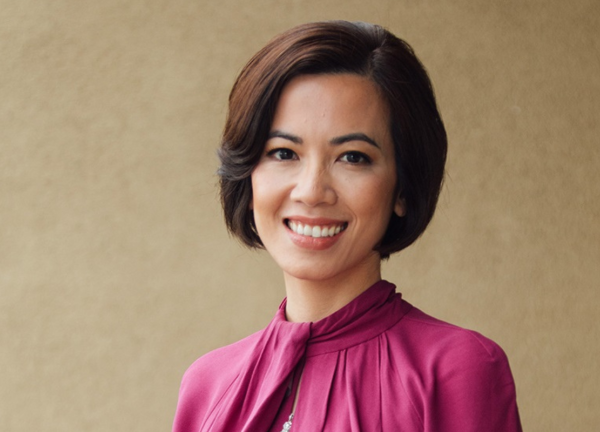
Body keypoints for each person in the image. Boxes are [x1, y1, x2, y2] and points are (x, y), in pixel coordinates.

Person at [172, 21, 522, 432]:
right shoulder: (208, 385)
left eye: (353, 157)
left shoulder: (456, 370)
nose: (312, 191)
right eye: (283, 152)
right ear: (247, 176)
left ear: (402, 188)